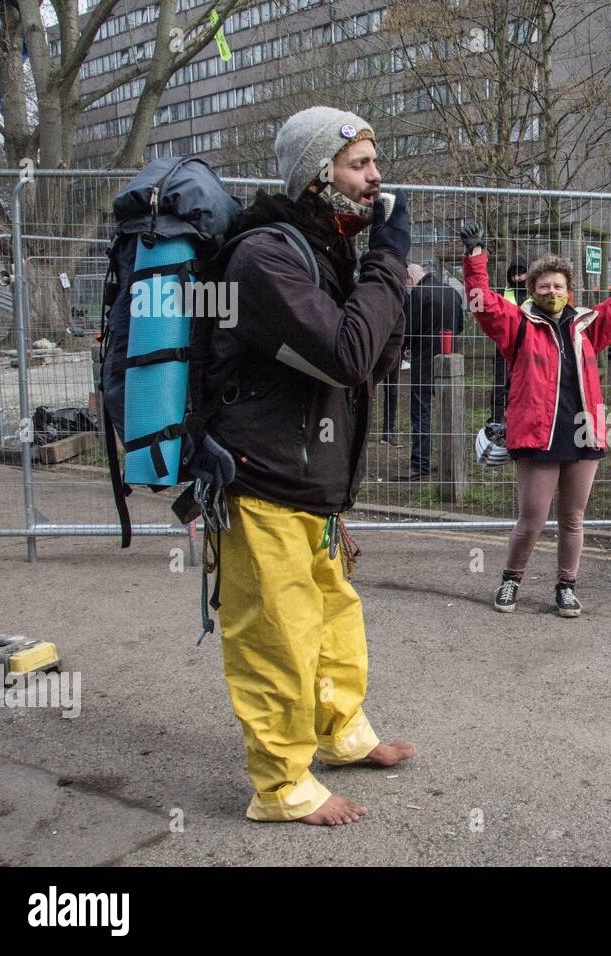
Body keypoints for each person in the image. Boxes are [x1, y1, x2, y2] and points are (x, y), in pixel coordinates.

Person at [206, 106, 416, 825]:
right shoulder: (262, 258)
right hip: (260, 482)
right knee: (277, 638)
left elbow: (363, 369)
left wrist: (388, 283)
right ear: (315, 172)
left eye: (375, 162)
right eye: (361, 163)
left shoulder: (325, 254)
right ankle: (281, 788)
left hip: (313, 488)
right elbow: (347, 353)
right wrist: (388, 260)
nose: (376, 178)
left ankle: (342, 735)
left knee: (332, 621)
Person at [461, 222, 611, 617]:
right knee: (531, 520)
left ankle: (566, 586)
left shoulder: (586, 327)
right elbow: (483, 304)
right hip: (537, 436)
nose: (551, 292)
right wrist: (476, 258)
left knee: (573, 520)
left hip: (583, 436)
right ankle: (511, 579)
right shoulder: (519, 326)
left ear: (569, 291)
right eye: (543, 286)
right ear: (533, 291)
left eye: (558, 286)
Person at [396, 261, 464, 482]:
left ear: (411, 279)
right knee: (449, 414)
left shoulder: (418, 294)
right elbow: (460, 325)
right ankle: (452, 465)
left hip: (423, 364)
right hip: (448, 361)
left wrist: (405, 349)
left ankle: (420, 463)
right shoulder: (451, 292)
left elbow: (408, 329)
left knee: (421, 415)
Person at [378, 263, 420, 447]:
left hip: (389, 346)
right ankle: (386, 431)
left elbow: (407, 323)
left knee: (391, 389)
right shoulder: (399, 294)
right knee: (387, 388)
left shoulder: (403, 296)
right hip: (385, 346)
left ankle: (388, 431)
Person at [490, 256, 529, 426]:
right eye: (514, 275)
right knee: (500, 384)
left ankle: (521, 419)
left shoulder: (536, 293)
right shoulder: (503, 293)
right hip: (504, 346)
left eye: (521, 274)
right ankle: (497, 420)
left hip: (528, 347)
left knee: (525, 384)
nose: (518, 278)